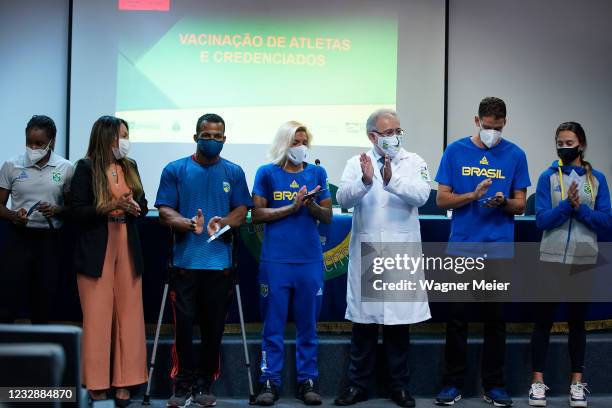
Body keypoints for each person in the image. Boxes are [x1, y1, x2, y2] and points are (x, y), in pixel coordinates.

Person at [434, 97, 530, 407]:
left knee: (496, 321)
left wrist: (503, 202)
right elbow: (442, 201)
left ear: (505, 123)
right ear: (477, 121)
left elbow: (521, 204)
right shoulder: (455, 150)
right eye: (488, 127)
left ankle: (494, 385)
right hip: (463, 246)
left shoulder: (516, 154)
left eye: (498, 128)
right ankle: (452, 383)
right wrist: (472, 195)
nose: (493, 133)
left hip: (499, 249)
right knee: (457, 320)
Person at [334, 109, 431, 407]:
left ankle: (399, 387)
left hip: (400, 252)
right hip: (369, 252)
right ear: (372, 136)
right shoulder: (356, 163)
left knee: (398, 327)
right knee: (364, 326)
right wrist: (365, 181)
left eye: (398, 131)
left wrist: (391, 181)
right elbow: (342, 199)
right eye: (388, 133)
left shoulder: (414, 161)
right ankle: (357, 385)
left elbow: (422, 195)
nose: (395, 137)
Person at [155, 113, 252, 408]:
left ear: (225, 139)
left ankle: (204, 381)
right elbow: (163, 211)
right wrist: (185, 223)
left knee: (213, 328)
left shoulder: (233, 172)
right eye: (206, 135)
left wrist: (224, 223)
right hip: (185, 263)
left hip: (219, 264)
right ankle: (182, 381)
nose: (211, 141)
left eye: (217, 136)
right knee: (183, 326)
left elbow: (242, 210)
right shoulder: (176, 169)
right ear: (196, 136)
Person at [528, 122, 612, 408]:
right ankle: (537, 382)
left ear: (582, 144)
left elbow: (606, 221)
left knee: (577, 323)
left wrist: (581, 209)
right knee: (543, 322)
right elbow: (541, 220)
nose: (565, 148)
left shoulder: (597, 178)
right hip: (550, 259)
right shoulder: (546, 177)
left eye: (569, 142)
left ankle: (577, 382)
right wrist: (566, 206)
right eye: (560, 143)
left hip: (583, 259)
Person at [251, 121, 332, 406]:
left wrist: (310, 206)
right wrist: (292, 207)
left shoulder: (317, 172)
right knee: (272, 325)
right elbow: (257, 215)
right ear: (284, 144)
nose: (301, 147)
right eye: (295, 142)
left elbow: (328, 217)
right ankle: (269, 381)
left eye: (303, 142)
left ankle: (307, 380)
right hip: (276, 261)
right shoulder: (267, 173)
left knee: (308, 325)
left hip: (309, 260)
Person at [71, 116, 148, 406]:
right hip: (97, 246)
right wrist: (111, 205)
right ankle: (97, 382)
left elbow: (143, 202)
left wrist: (133, 206)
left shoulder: (130, 166)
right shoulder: (86, 167)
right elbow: (76, 211)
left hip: (127, 241)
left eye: (127, 134)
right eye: (121, 135)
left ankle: (125, 382)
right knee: (97, 315)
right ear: (106, 137)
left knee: (129, 314)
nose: (126, 141)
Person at [0, 115, 73, 323]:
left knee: (43, 299)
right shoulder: (11, 165)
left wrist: (57, 209)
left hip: (50, 240)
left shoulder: (65, 168)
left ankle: (43, 351)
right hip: (18, 237)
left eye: (39, 144)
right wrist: (14, 215)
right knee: (8, 299)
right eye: (29, 143)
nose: (33, 148)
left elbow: (72, 208)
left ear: (52, 142)